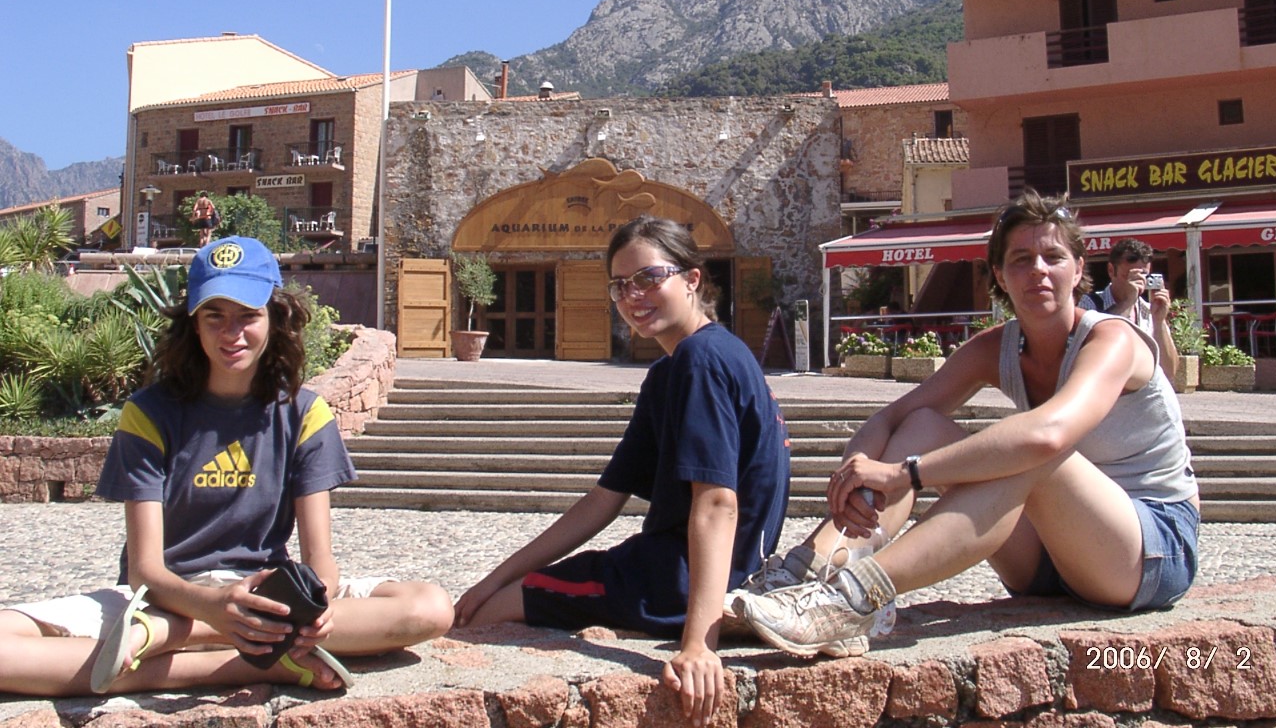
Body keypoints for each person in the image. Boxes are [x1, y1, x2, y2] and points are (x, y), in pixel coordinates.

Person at [734, 189, 1199, 658]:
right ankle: (808, 569)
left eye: (1053, 257)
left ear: (1078, 269)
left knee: (1037, 452)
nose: (1038, 269)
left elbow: (1049, 434)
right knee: (922, 424)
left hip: (1151, 551)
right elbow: (892, 417)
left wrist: (906, 473)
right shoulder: (997, 348)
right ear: (1000, 274)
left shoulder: (1112, 340)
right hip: (1049, 556)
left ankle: (852, 598)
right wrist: (854, 467)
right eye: (1021, 259)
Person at [0, 236, 453, 697]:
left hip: (267, 599)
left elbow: (320, 560)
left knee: (430, 607)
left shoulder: (304, 415)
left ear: (274, 319)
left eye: (247, 316)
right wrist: (213, 607)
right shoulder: (148, 415)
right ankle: (253, 664)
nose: (230, 334)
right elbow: (145, 570)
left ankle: (174, 643)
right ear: (193, 324)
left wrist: (315, 602)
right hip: (166, 599)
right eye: (214, 316)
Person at [452, 215, 790, 727]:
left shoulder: (701, 360)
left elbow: (718, 501)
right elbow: (603, 500)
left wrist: (700, 643)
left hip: (675, 584)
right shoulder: (678, 368)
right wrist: (494, 576)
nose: (634, 296)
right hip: (688, 572)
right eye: (620, 285)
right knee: (494, 597)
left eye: (650, 278)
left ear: (692, 279)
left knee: (488, 614)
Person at [1079, 237, 1178, 382]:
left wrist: (1159, 323)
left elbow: (1169, 371)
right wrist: (1128, 301)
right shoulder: (1089, 304)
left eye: (1142, 276)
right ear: (1111, 270)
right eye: (1130, 275)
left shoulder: (1148, 310)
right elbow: (1093, 355)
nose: (1137, 282)